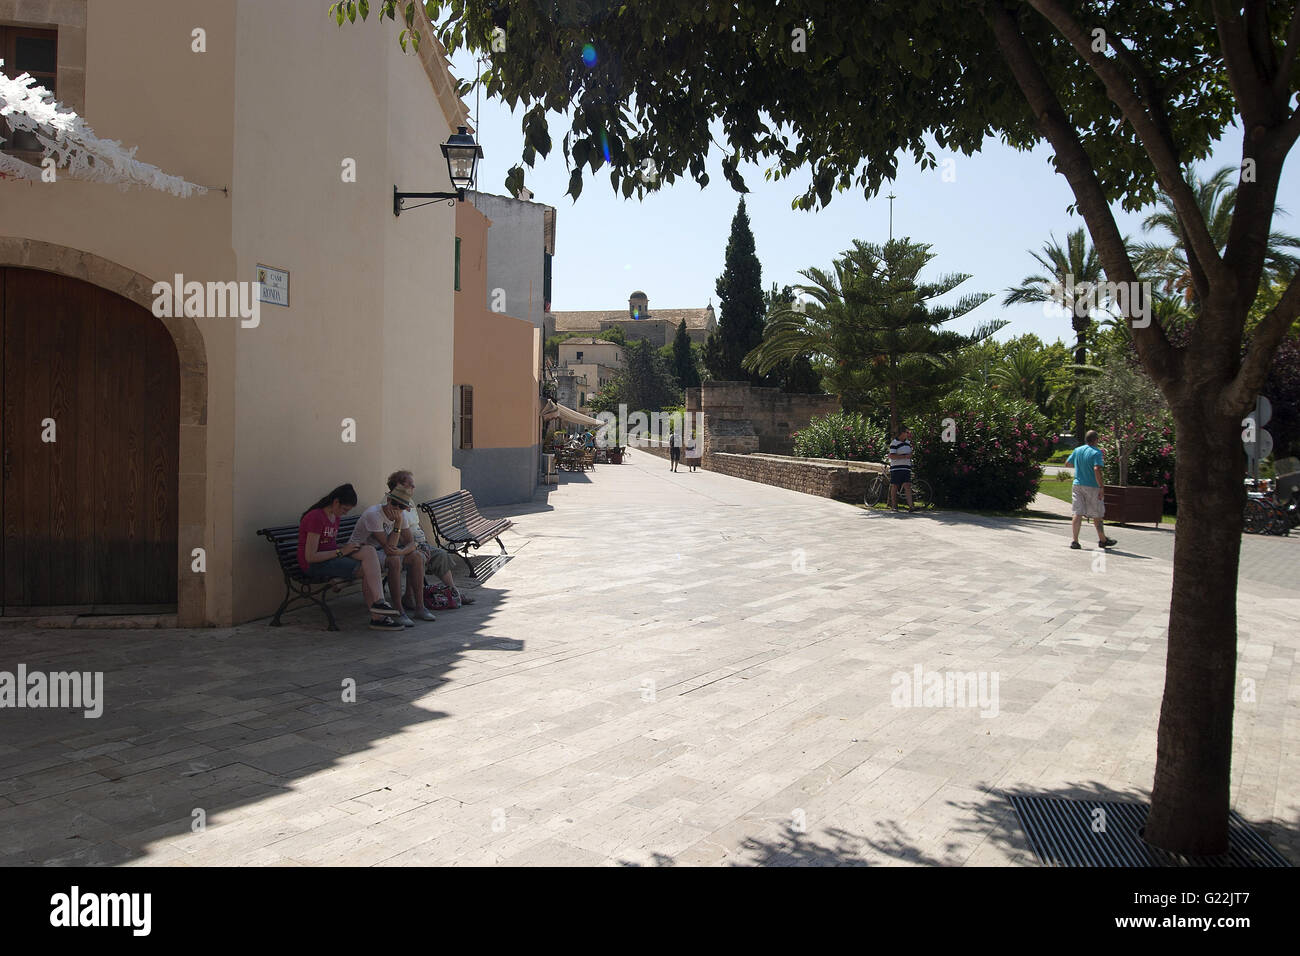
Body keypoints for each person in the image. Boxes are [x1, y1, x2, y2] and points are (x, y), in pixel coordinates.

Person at [297, 483, 401, 632]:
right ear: (336, 502)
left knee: (369, 550)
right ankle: (378, 617)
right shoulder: (316, 517)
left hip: (331, 558)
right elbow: (310, 556)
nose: (345, 513)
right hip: (315, 566)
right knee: (368, 569)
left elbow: (328, 545)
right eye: (345, 509)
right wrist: (341, 552)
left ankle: (379, 602)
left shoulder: (334, 516)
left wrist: (351, 547)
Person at [385, 470, 476, 609]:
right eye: (410, 484)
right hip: (404, 547)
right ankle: (409, 598)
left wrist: (424, 543)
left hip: (418, 544)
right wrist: (418, 546)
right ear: (398, 485)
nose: (413, 487)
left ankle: (454, 592)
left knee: (441, 555)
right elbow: (397, 534)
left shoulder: (409, 501)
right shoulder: (393, 504)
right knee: (418, 558)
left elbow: (417, 524)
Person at [347, 484, 430, 627]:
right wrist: (397, 525)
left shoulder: (402, 515)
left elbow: (411, 543)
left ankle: (420, 607)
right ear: (388, 500)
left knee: (416, 557)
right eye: (394, 503)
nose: (396, 508)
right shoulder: (374, 514)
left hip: (382, 551)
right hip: (362, 552)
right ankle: (398, 610)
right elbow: (389, 548)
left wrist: (401, 551)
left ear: (406, 508)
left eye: (401, 506)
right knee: (394, 561)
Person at [1065, 430, 1117, 549]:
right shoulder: (1096, 452)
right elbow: (1096, 469)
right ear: (1096, 440)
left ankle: (1075, 541)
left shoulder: (1078, 450)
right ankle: (1102, 540)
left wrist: (1079, 467)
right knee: (1097, 514)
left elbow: (1067, 464)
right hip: (1092, 486)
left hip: (1077, 484)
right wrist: (1101, 487)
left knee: (1077, 513)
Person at [888, 425, 915, 512]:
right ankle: (894, 506)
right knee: (895, 486)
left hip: (906, 468)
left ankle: (911, 506)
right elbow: (892, 456)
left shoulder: (908, 442)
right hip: (896, 468)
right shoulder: (894, 443)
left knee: (907, 485)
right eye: (907, 432)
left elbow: (910, 453)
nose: (908, 434)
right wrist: (904, 456)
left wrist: (910, 455)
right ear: (902, 433)